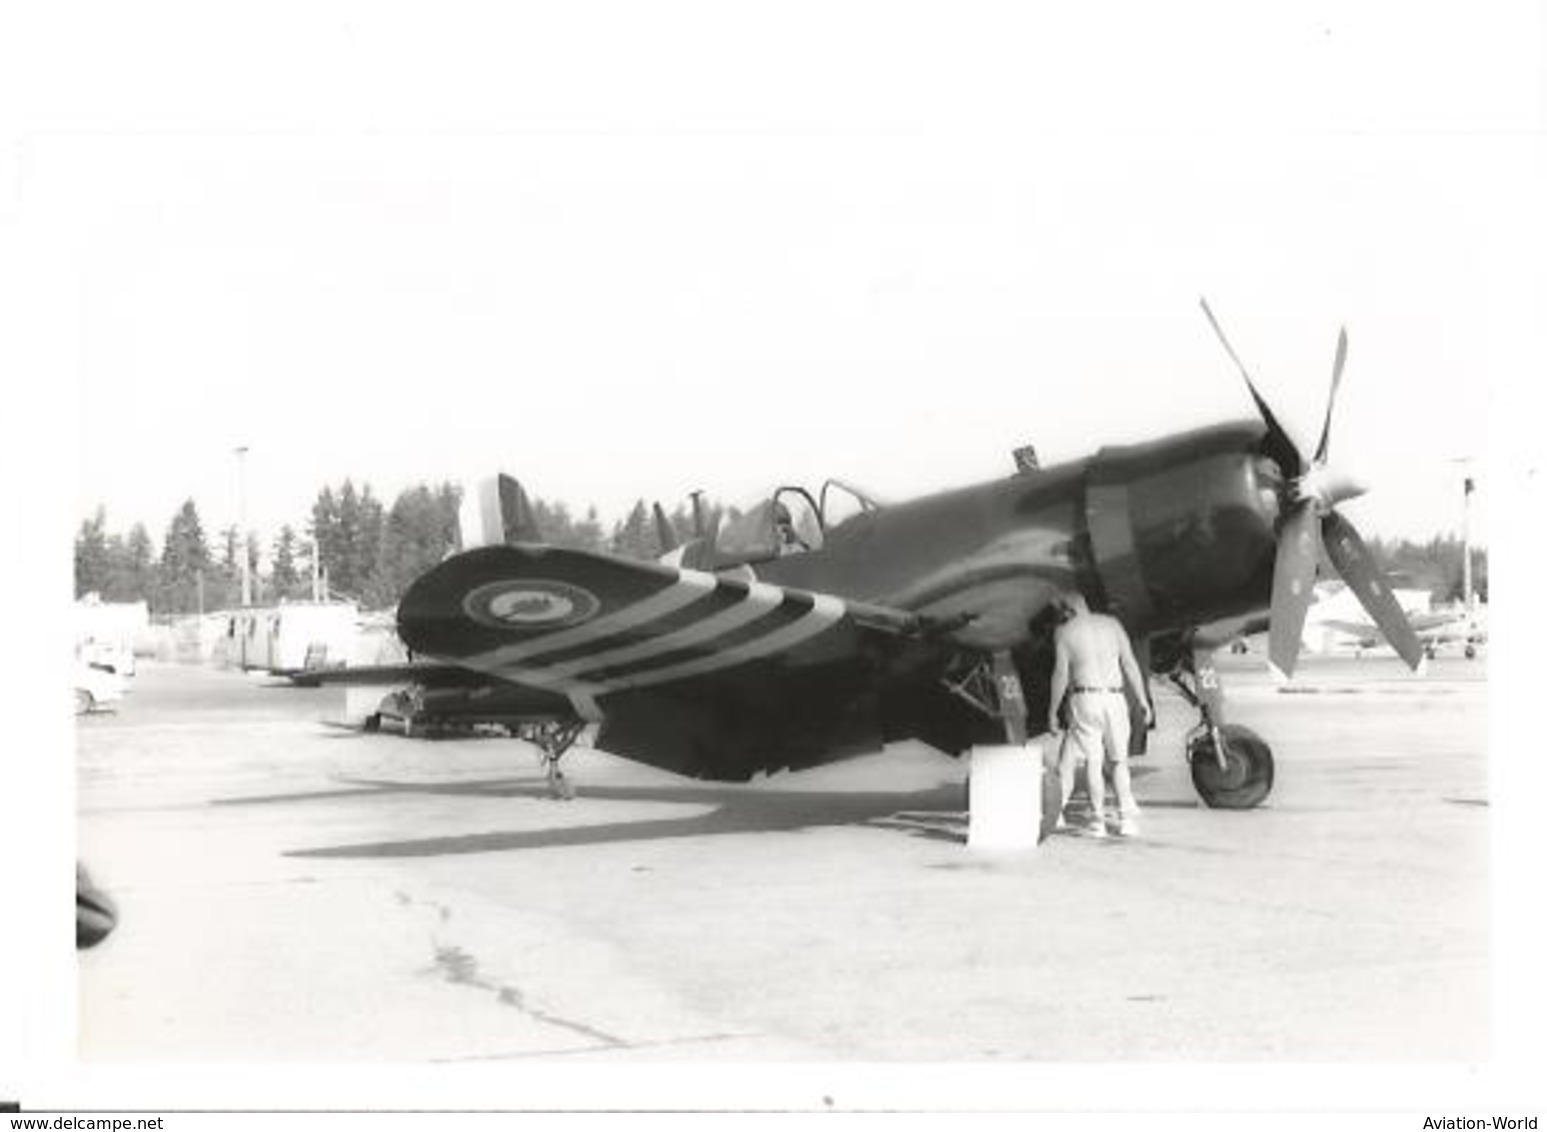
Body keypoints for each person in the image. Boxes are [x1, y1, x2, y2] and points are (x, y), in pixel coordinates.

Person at [1047, 590, 1152, 838]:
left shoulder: (1064, 632)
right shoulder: (1112, 625)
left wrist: (1052, 711)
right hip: (1115, 698)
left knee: (1094, 763)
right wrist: (1142, 699)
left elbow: (1060, 676)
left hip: (1085, 698)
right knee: (1119, 762)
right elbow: (1129, 663)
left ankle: (1098, 822)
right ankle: (1126, 821)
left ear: (1067, 611)